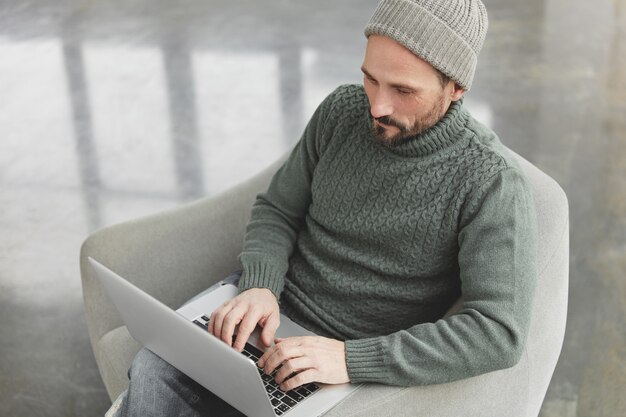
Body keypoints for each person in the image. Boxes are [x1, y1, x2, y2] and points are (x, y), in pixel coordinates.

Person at [108, 0, 538, 415]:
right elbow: (278, 208)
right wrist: (260, 285)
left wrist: (349, 360)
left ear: (456, 88)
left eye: (403, 90)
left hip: (350, 357)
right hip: (271, 312)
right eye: (371, 79)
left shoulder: (490, 181)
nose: (377, 106)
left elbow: (497, 332)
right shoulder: (340, 111)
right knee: (154, 366)